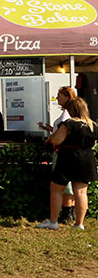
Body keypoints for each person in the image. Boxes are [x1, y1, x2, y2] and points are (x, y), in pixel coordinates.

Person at [36, 97, 98, 230]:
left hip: (68, 158)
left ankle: (53, 222)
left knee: (56, 189)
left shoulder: (69, 123)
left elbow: (57, 140)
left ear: (71, 109)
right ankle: (79, 224)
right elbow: (94, 144)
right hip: (86, 159)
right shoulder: (92, 125)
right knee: (81, 192)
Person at [38, 86, 77, 223]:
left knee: (63, 183)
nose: (57, 98)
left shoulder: (67, 115)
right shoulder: (71, 112)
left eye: (59, 96)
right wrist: (50, 129)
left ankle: (67, 214)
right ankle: (70, 213)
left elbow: (63, 132)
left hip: (60, 151)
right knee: (70, 184)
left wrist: (52, 137)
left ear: (67, 97)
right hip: (67, 151)